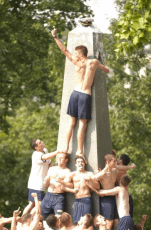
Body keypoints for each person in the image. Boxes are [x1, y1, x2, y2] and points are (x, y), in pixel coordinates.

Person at [51, 28, 109, 157]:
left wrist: (55, 37)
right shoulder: (94, 62)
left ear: (81, 54)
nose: (75, 55)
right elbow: (106, 70)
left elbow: (64, 50)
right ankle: (80, 150)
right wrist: (103, 62)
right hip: (85, 94)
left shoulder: (76, 62)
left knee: (72, 122)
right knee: (82, 124)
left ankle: (65, 146)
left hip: (75, 93)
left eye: (77, 53)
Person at [87, 154, 135, 230]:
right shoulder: (103, 173)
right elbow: (92, 179)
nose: (116, 162)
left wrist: (130, 167)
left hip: (114, 197)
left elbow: (121, 167)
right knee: (109, 222)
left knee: (116, 221)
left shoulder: (114, 170)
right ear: (108, 162)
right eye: (114, 161)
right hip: (106, 199)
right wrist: (95, 189)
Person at [61, 156, 100, 224]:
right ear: (75, 164)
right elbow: (63, 186)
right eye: (78, 162)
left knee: (87, 222)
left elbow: (98, 186)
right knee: (77, 222)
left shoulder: (89, 174)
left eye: (82, 162)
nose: (80, 163)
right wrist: (71, 190)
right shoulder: (72, 175)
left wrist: (90, 180)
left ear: (84, 163)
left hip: (86, 198)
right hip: (77, 200)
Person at [27, 139, 59, 211]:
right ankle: (25, 219)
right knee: (37, 204)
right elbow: (46, 157)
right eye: (40, 143)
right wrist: (58, 152)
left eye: (41, 141)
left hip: (41, 183)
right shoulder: (36, 154)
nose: (42, 142)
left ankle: (25, 219)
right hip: (36, 184)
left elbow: (50, 164)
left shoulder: (45, 150)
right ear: (36, 148)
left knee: (33, 204)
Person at [40, 152, 72, 219]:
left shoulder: (67, 171)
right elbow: (46, 184)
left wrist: (62, 181)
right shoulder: (51, 169)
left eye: (62, 158)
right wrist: (46, 182)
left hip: (59, 196)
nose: (59, 159)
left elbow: (70, 185)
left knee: (58, 217)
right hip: (49, 194)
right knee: (40, 216)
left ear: (66, 160)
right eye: (58, 158)